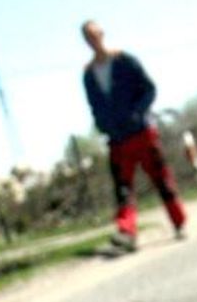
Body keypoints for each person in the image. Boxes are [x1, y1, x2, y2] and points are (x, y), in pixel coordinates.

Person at [80, 20, 186, 251]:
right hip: (117, 140)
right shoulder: (88, 74)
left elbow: (149, 89)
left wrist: (138, 113)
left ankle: (179, 221)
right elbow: (93, 105)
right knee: (123, 189)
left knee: (161, 179)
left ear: (102, 34)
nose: (92, 40)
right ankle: (126, 232)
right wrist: (102, 124)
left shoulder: (124, 61)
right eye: (87, 37)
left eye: (94, 34)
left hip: (142, 133)